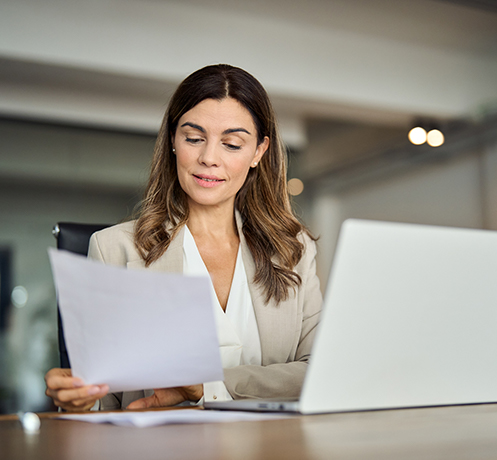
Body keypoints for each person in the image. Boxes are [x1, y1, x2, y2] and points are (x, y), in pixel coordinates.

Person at [44, 64, 322, 412]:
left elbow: (318, 374)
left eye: (232, 144)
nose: (209, 158)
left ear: (258, 152)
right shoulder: (114, 248)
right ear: (173, 141)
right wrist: (76, 402)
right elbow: (104, 403)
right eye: (194, 138)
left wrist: (207, 385)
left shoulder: (293, 250)